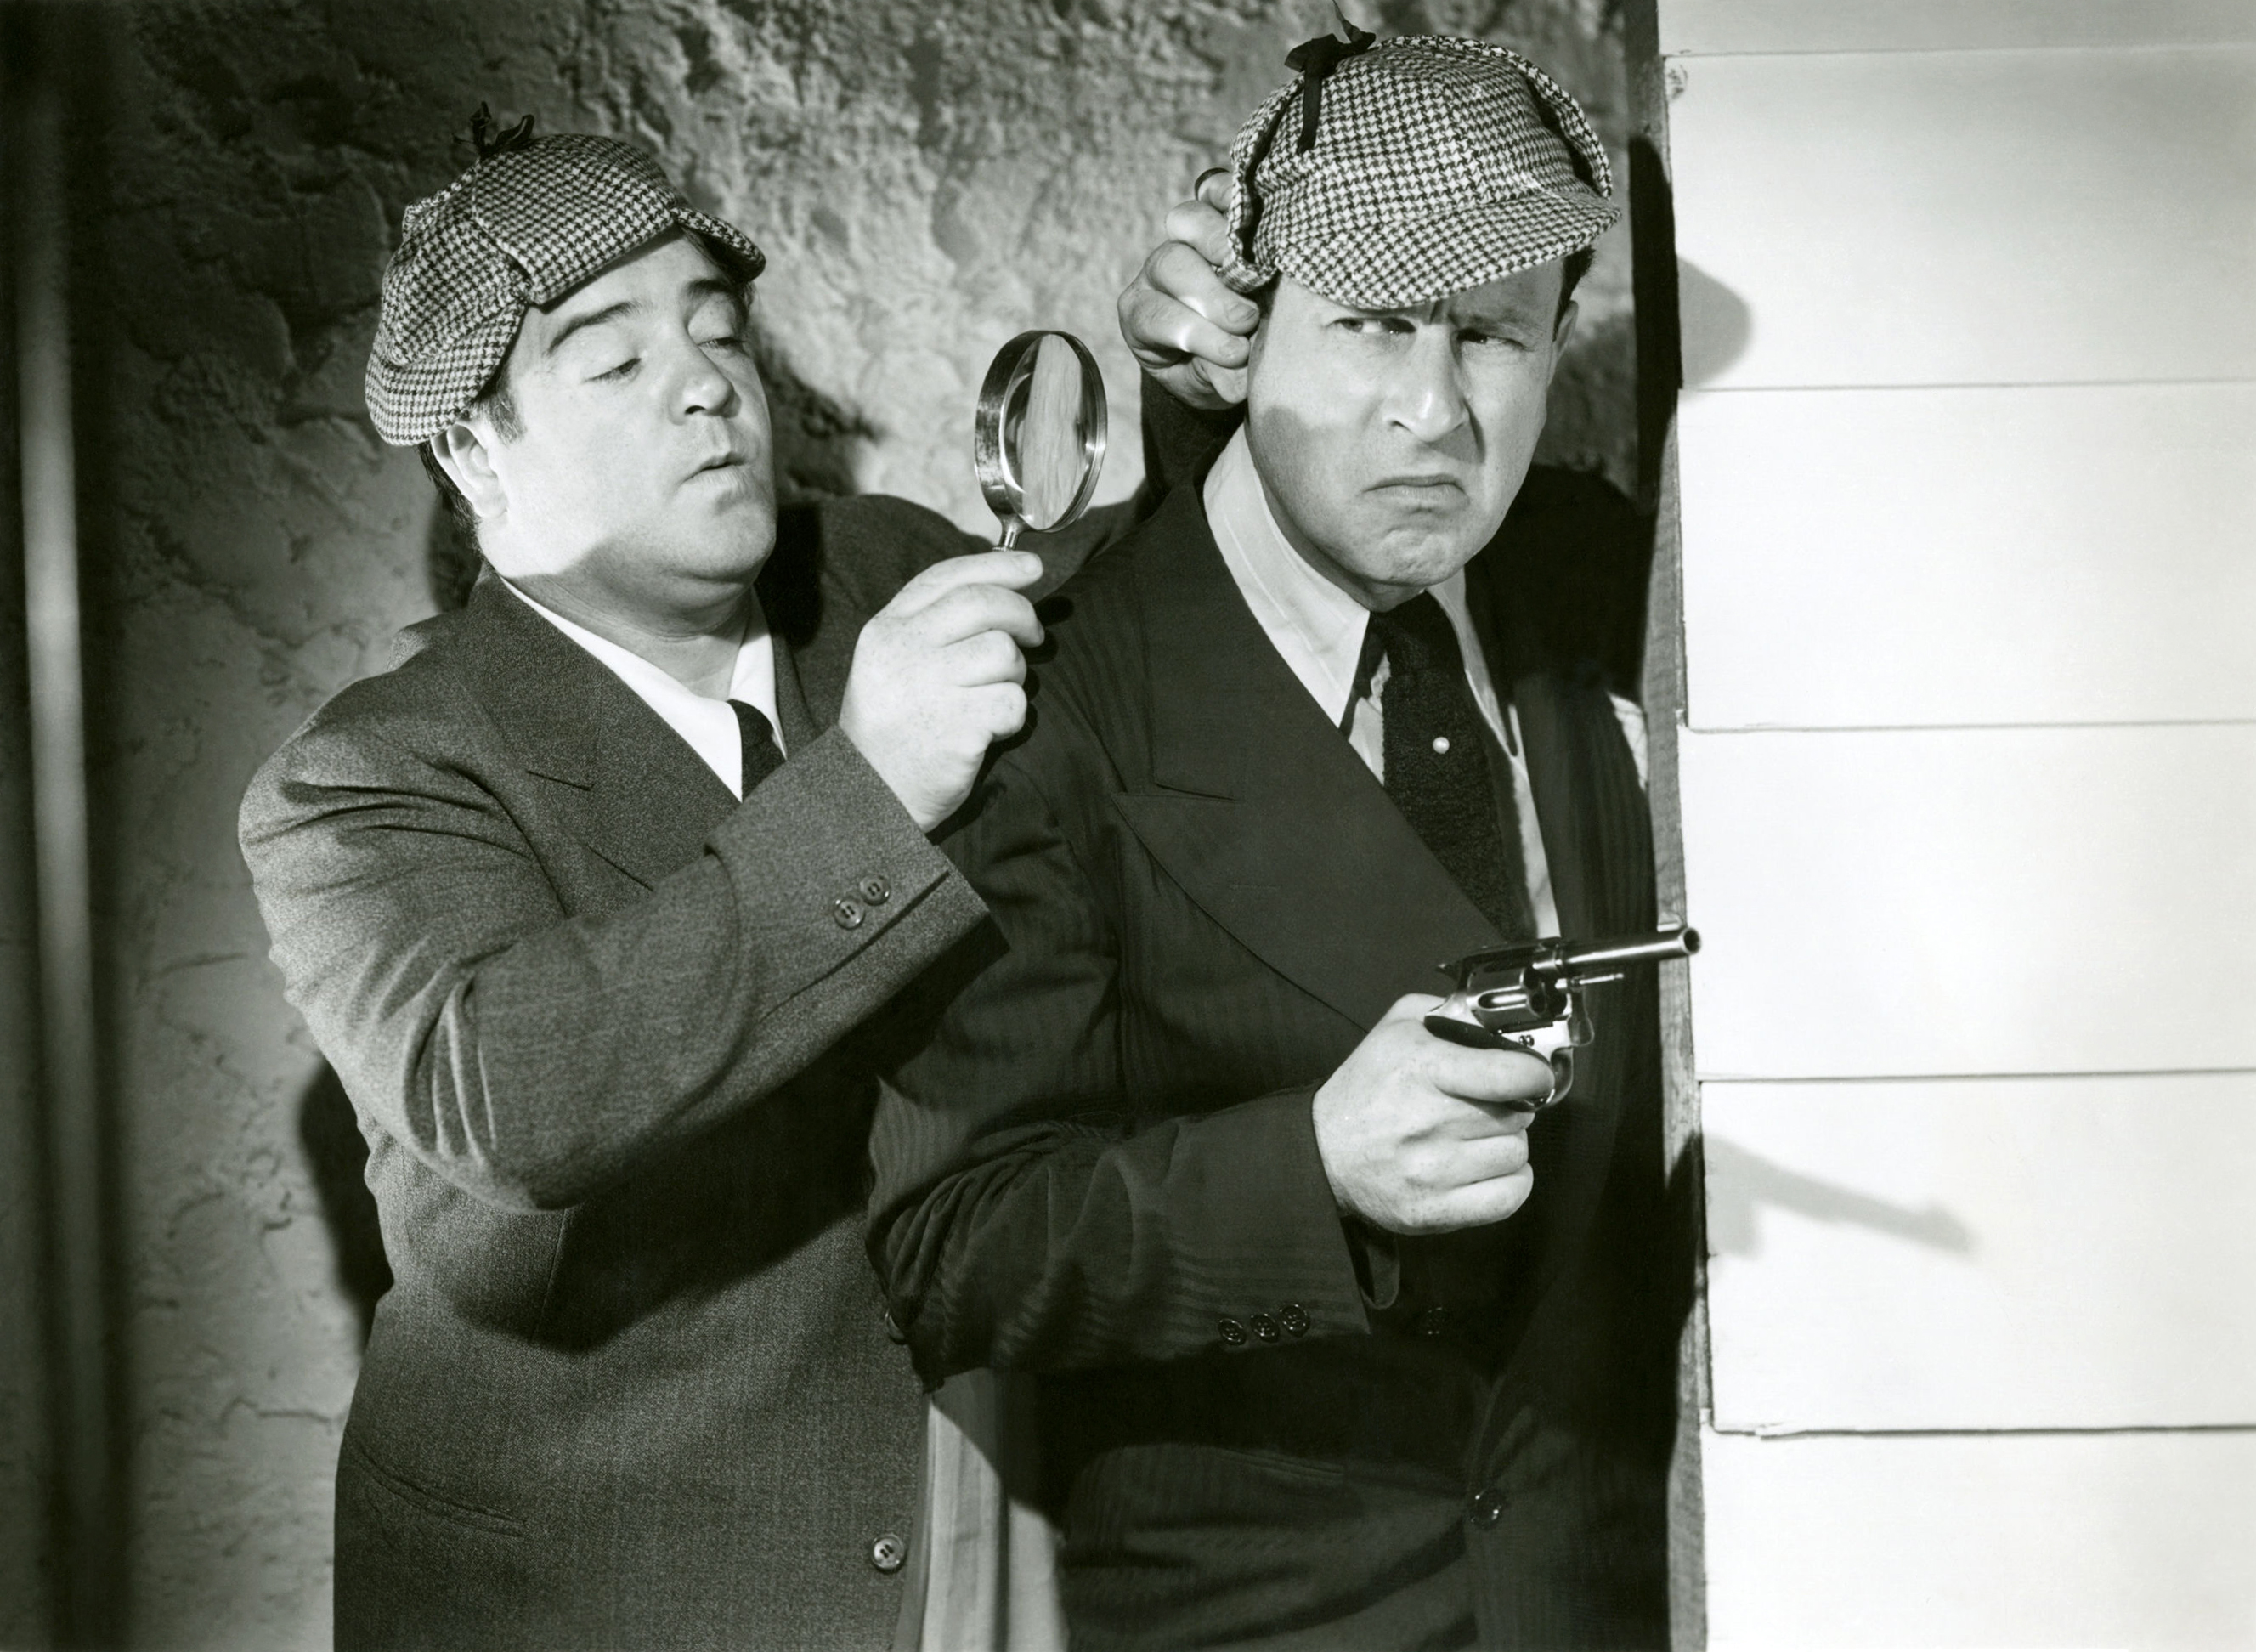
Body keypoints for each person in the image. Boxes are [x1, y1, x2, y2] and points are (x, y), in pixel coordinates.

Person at [240, 116, 1229, 1651]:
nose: (707, 384)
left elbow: (1163, 673)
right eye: (614, 359)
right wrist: (875, 789)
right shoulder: (369, 777)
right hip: (613, 1586)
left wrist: (1203, 411)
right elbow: (513, 1097)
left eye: (718, 333)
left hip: (978, 1508)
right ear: (472, 449)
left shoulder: (881, 572)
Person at [870, 31, 1674, 1649]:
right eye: (1372, 322)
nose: (1433, 410)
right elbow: (953, 1247)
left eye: (1491, 334)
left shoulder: (1602, 584)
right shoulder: (1053, 684)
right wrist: (1309, 1171)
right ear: (1235, 332)